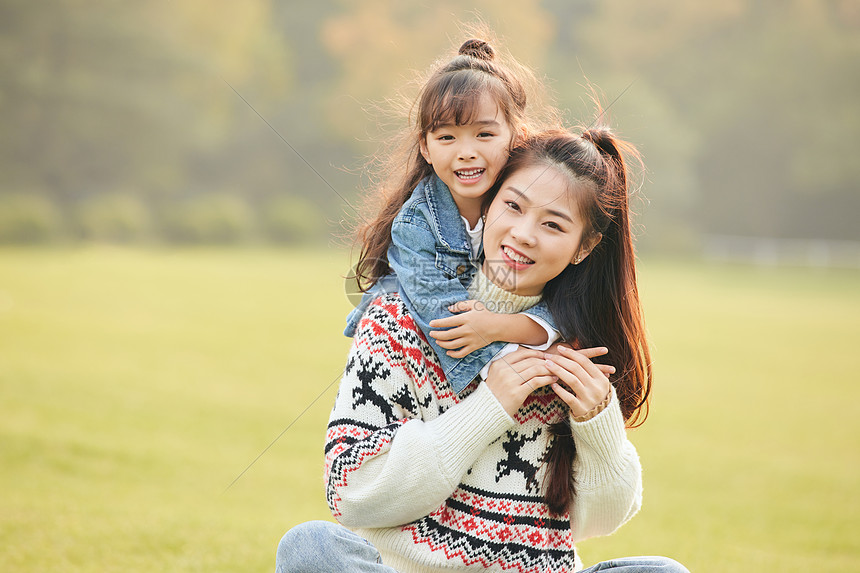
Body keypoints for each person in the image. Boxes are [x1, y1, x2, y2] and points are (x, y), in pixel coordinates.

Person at [276, 128, 689, 572]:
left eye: (553, 224)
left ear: (583, 248)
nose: (524, 233)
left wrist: (598, 422)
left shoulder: (575, 352)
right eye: (513, 206)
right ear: (489, 203)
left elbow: (597, 521)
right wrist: (488, 406)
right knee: (311, 548)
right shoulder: (399, 319)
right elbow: (351, 491)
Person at [344, 37, 562, 394]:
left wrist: (507, 329)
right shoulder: (417, 224)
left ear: (517, 135)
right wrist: (512, 366)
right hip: (435, 357)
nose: (466, 152)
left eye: (484, 134)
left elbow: (562, 304)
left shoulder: (530, 209)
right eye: (447, 137)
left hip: (502, 342)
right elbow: (447, 321)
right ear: (425, 148)